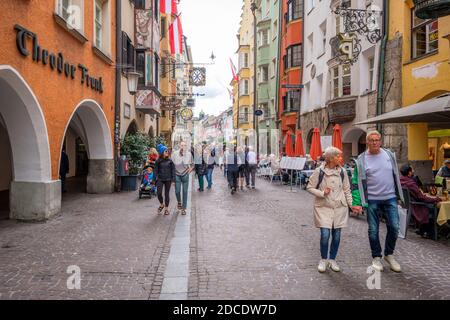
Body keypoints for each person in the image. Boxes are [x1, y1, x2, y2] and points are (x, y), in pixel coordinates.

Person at [352, 130, 405, 273]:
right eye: (372, 140)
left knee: (394, 227)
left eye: (377, 140)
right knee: (373, 230)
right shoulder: (361, 160)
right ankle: (376, 256)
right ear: (367, 142)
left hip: (390, 197)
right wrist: (357, 202)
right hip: (372, 200)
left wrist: (399, 196)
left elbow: (395, 176)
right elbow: (356, 182)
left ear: (380, 141)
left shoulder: (389, 155)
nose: (375, 142)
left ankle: (389, 254)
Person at [307, 147, 361, 273]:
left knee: (336, 236)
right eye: (338, 156)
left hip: (339, 208)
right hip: (323, 207)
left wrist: (351, 205)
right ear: (331, 158)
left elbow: (347, 190)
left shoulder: (343, 172)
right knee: (325, 235)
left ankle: (332, 259)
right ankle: (323, 259)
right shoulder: (319, 171)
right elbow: (309, 187)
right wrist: (322, 192)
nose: (341, 158)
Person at [400, 164, 441, 239]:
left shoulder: (401, 180)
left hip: (407, 205)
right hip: (415, 205)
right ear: (409, 173)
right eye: (412, 169)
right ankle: (430, 232)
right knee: (434, 207)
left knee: (430, 205)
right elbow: (421, 197)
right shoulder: (410, 183)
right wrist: (436, 199)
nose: (413, 171)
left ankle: (423, 230)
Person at [153, 144, 176, 215]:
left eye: (167, 151)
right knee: (159, 193)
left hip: (168, 179)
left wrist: (173, 180)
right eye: (165, 151)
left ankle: (166, 209)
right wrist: (154, 180)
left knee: (167, 194)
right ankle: (162, 204)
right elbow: (155, 171)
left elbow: (173, 170)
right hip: (160, 179)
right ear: (162, 152)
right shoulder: (158, 161)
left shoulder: (170, 161)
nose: (167, 152)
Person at [172, 141, 193, 215]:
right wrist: (172, 178)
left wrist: (189, 170)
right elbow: (172, 165)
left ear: (186, 146)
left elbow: (192, 164)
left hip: (185, 174)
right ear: (179, 146)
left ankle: (184, 208)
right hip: (177, 174)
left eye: (184, 145)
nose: (183, 146)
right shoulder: (175, 154)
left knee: (185, 191)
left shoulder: (189, 154)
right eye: (182, 145)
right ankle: (179, 202)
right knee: (177, 191)